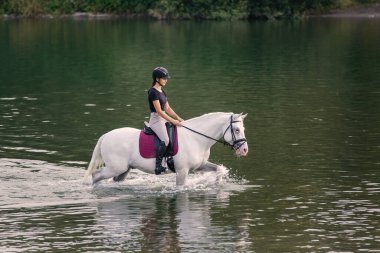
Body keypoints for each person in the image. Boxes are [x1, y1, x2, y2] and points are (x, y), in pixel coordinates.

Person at [148, 67, 183, 175]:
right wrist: (172, 121)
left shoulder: (162, 91)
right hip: (156, 119)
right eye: (164, 78)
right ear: (157, 79)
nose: (166, 80)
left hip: (163, 118)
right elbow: (159, 111)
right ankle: (158, 166)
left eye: (166, 78)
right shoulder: (153, 92)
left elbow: (167, 109)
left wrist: (178, 118)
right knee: (166, 140)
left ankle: (170, 159)